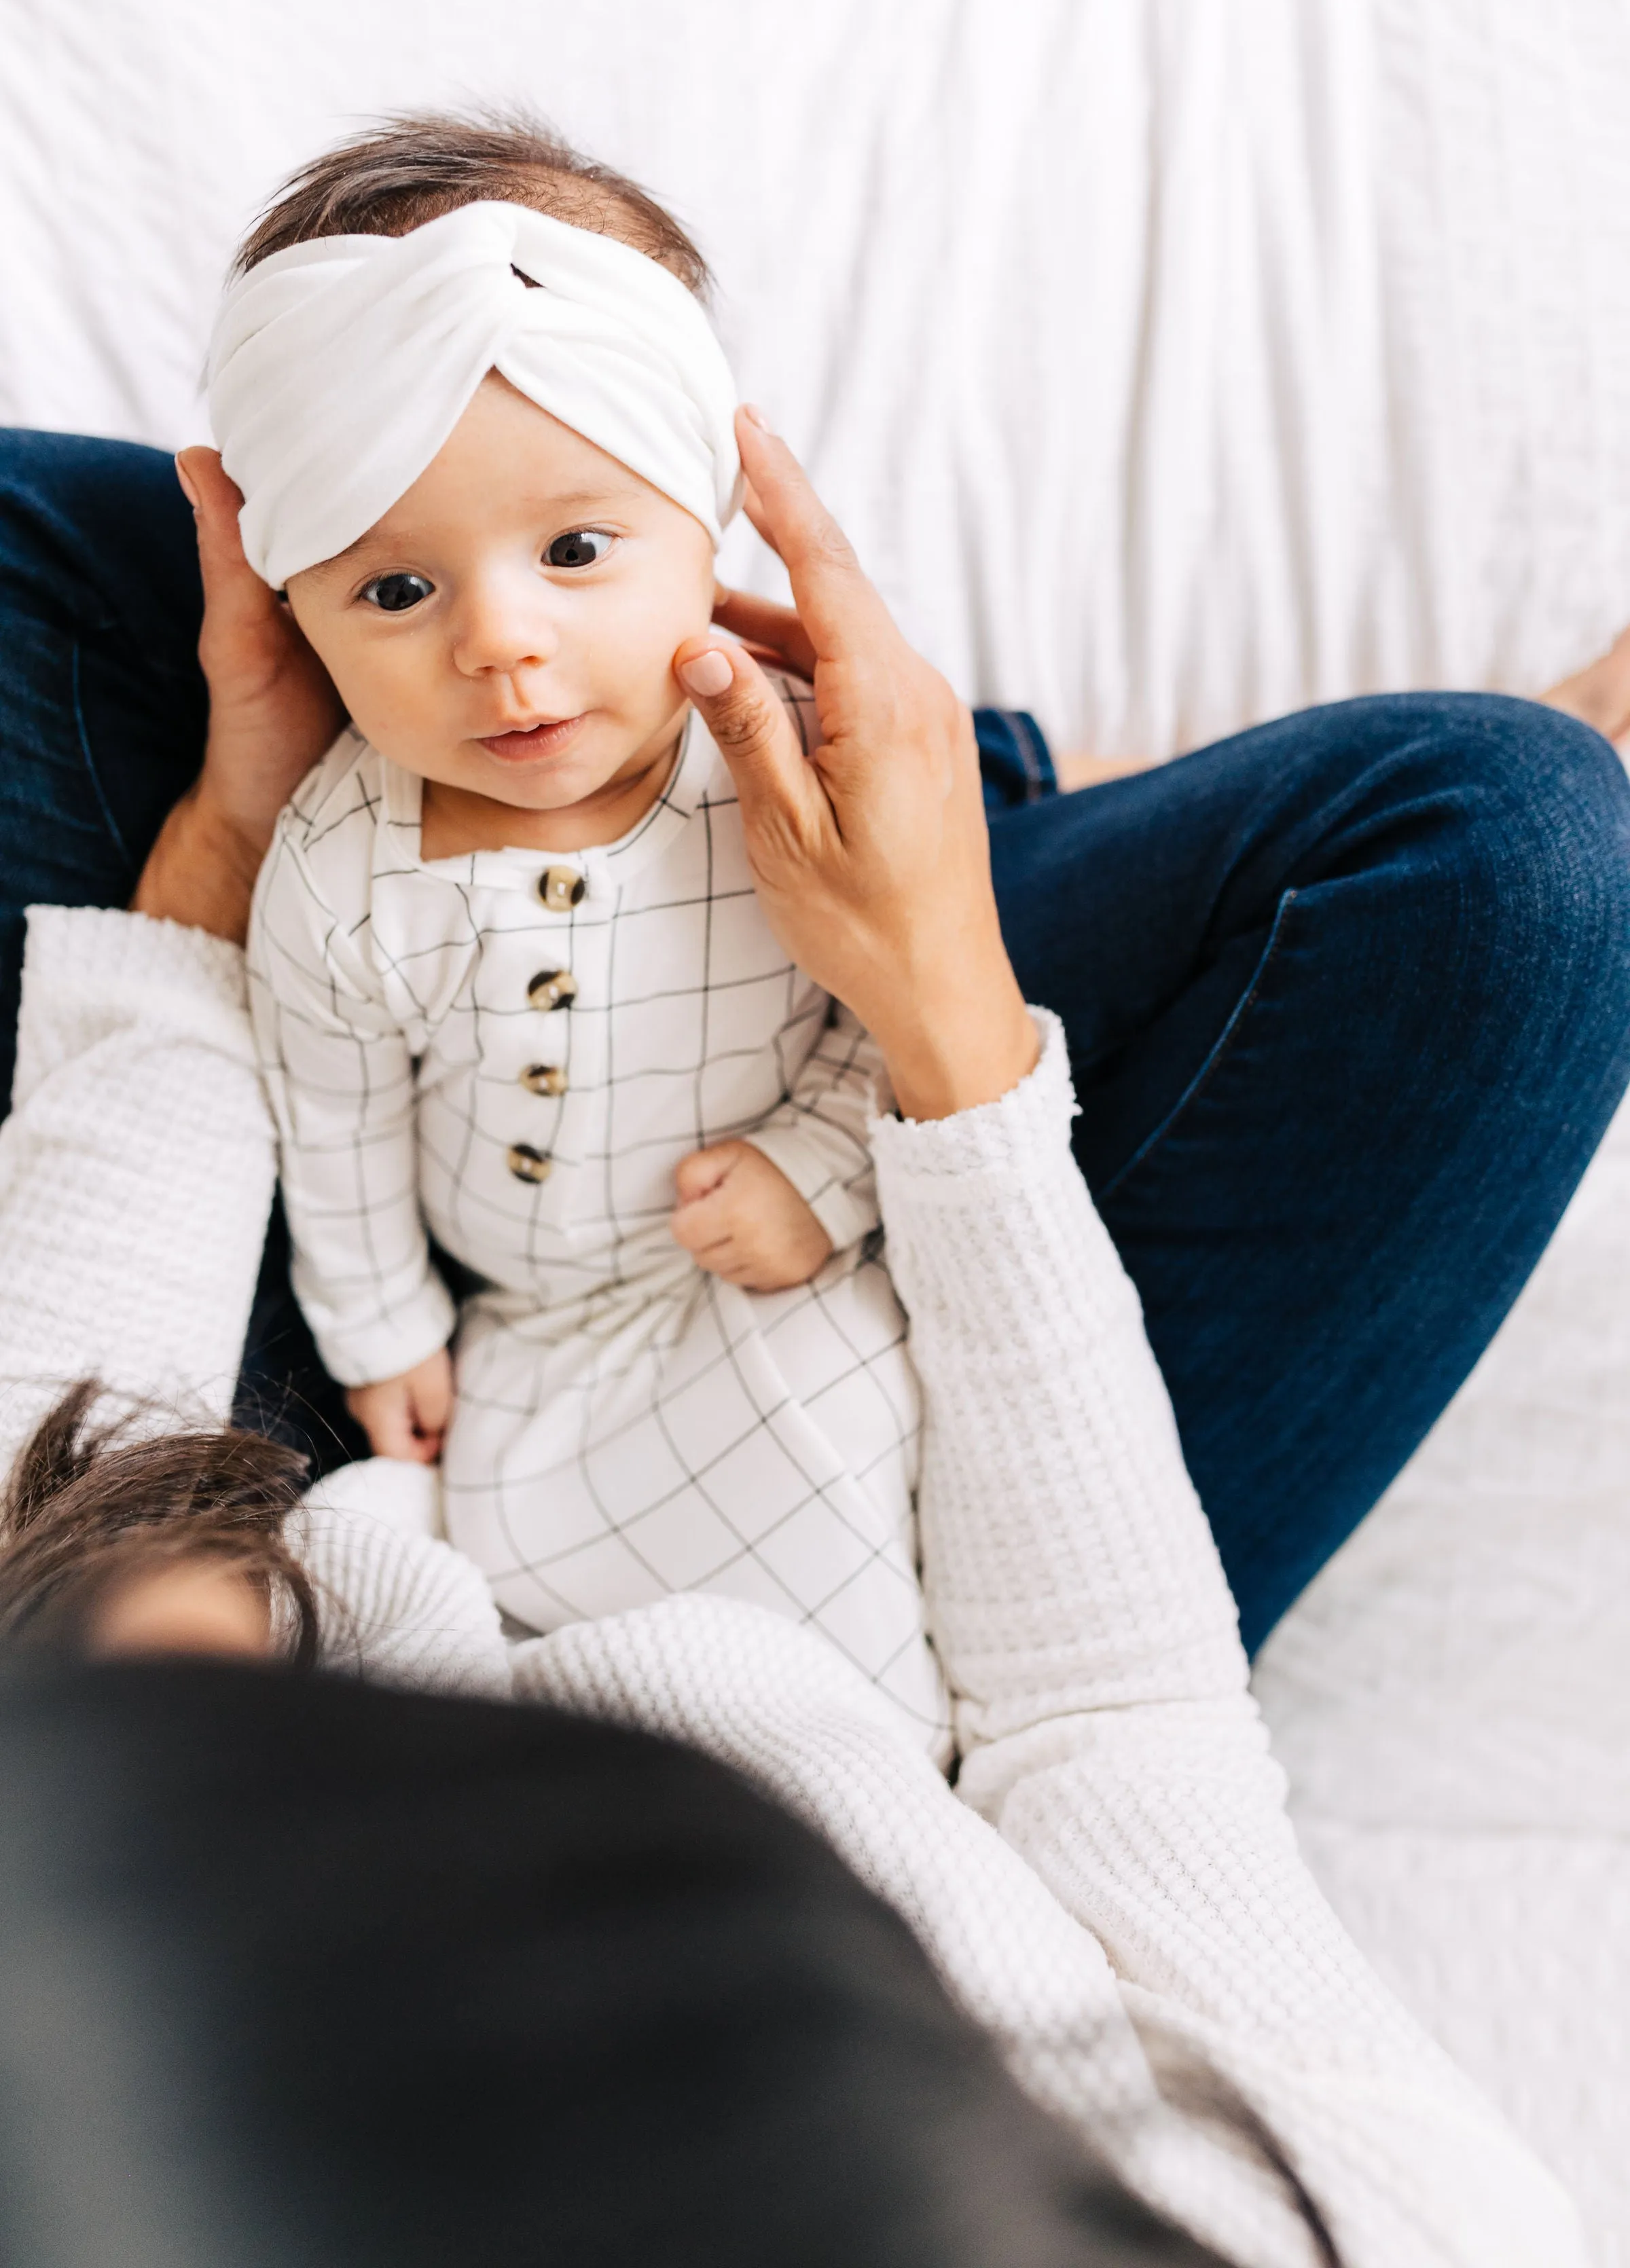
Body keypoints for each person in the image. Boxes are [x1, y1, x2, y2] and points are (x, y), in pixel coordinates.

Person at [0, 404, 1591, 2265]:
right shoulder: (1366, 2226)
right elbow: (1110, 1714)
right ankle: (864, 797)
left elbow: (75, 1511)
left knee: (69, 560)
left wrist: (233, 862)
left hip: (327, 1487)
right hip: (918, 1645)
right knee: (1516, 852)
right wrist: (938, 1020)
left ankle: (723, 802)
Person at [224, 122, 947, 1747]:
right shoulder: (346, 870)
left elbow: (877, 1028)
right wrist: (384, 1323)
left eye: (573, 551)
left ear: (709, 527)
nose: (501, 644)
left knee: (860, 1469)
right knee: (510, 1590)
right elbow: (332, 1114)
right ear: (299, 610)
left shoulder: (783, 773)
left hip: (774, 1270)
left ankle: (888, 1789)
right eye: (395, 593)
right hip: (522, 1336)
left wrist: (818, 1179)